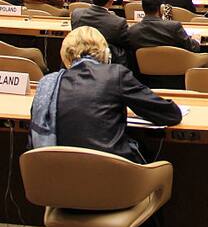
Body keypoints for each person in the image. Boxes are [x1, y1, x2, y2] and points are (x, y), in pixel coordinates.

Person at [32, 26, 182, 164]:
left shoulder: (47, 84)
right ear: (106, 52)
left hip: (56, 177)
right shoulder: (115, 74)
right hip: (111, 177)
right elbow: (170, 114)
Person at [71, 0, 131, 67]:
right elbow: (127, 46)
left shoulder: (76, 14)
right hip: (107, 66)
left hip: (78, 62)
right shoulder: (118, 23)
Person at [127, 0, 200, 52]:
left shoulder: (132, 31)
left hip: (144, 68)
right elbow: (193, 48)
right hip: (175, 66)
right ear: (162, 8)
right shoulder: (174, 27)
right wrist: (196, 39)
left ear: (143, 7)